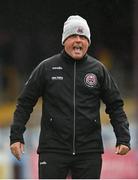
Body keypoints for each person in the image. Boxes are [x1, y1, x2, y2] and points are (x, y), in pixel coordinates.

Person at [10, 15, 131, 179]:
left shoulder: (98, 70)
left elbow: (115, 106)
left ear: (88, 42)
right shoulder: (46, 68)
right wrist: (16, 137)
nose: (79, 40)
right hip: (53, 150)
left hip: (89, 152)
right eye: (74, 36)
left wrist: (123, 137)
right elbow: (24, 103)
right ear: (64, 40)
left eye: (83, 37)